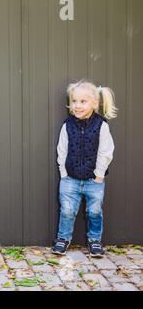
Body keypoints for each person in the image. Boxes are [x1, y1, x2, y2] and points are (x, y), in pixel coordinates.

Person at [52, 80, 118, 258]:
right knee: (67, 210)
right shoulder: (67, 125)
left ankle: (94, 240)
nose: (77, 106)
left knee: (94, 211)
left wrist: (99, 175)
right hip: (70, 179)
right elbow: (62, 150)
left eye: (83, 101)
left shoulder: (101, 125)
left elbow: (106, 151)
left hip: (93, 181)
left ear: (94, 103)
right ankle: (63, 238)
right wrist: (64, 174)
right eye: (74, 101)